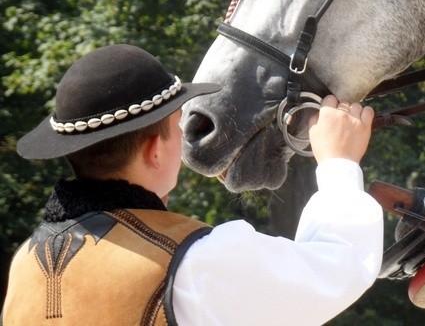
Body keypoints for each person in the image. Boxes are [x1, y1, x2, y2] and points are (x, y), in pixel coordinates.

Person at [2, 44, 383, 325]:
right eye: (176, 125)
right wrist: (338, 164)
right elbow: (333, 271)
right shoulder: (196, 261)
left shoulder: (26, 264)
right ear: (155, 150)